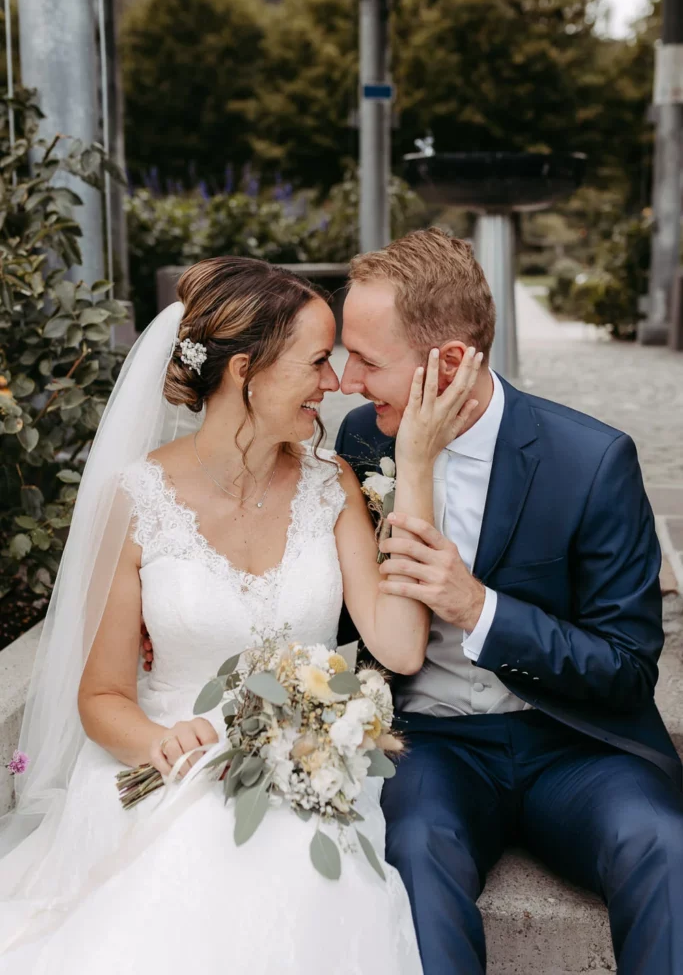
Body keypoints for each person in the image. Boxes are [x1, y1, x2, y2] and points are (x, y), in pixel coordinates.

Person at [0, 256, 482, 974]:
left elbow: (400, 646)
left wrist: (413, 466)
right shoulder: (137, 500)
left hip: (307, 770)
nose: (334, 382)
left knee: (286, 866)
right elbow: (101, 697)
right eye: (318, 361)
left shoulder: (331, 484)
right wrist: (162, 743)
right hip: (165, 767)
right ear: (244, 371)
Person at [334, 227, 683, 975]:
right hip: (431, 743)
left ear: (451, 362)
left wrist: (477, 606)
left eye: (365, 360)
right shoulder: (364, 440)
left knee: (662, 845)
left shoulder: (590, 460)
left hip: (575, 745)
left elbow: (625, 669)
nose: (345, 380)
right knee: (414, 851)